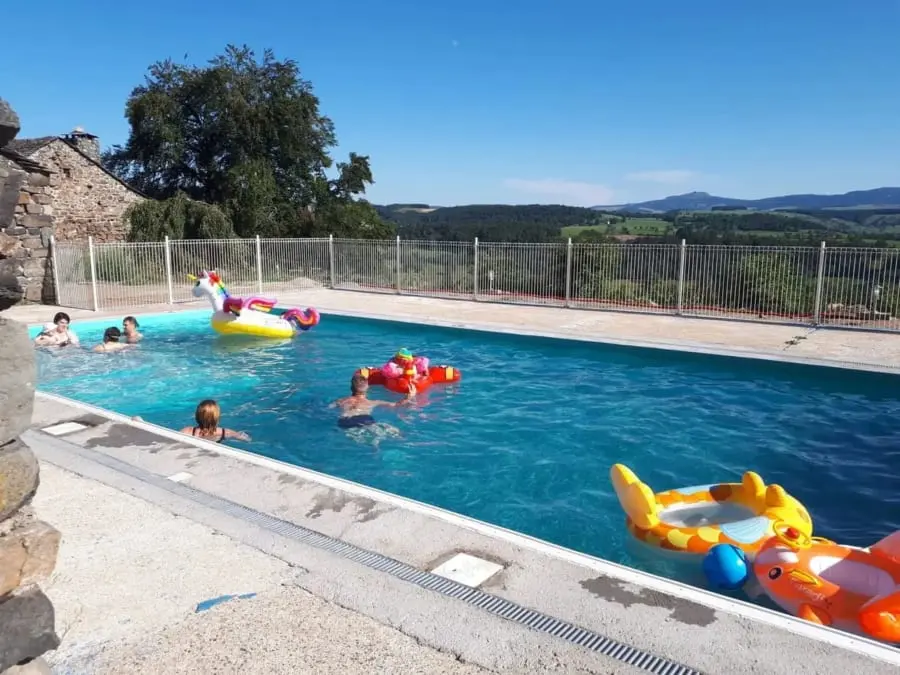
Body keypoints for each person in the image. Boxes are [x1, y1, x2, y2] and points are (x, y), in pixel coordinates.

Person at [331, 373, 416, 429]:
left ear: (351, 388)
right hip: (363, 419)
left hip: (344, 421)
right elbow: (397, 405)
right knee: (394, 432)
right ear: (367, 388)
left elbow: (329, 408)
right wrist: (409, 397)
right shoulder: (373, 402)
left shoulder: (340, 401)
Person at [180, 399, 250, 443]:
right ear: (217, 417)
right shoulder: (224, 432)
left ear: (197, 415)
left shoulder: (187, 431)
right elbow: (247, 440)